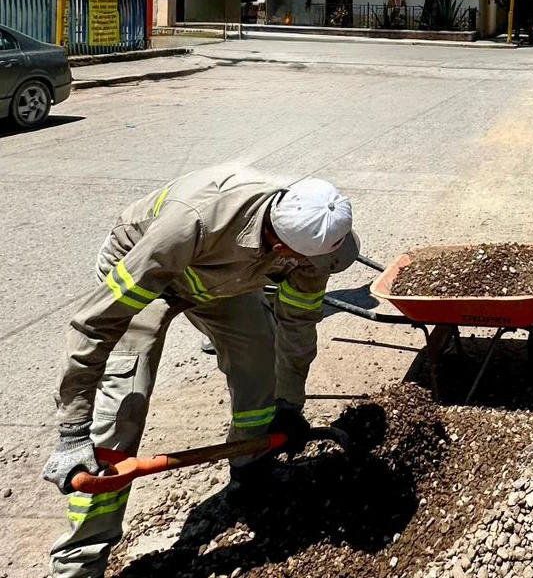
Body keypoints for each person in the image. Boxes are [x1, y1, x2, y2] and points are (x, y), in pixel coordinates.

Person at [41, 165, 357, 578]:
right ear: (279, 240)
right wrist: (71, 430)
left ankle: (252, 469)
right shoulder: (189, 222)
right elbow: (94, 324)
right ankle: (80, 562)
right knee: (124, 406)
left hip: (224, 281)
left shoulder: (318, 250)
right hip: (149, 270)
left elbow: (297, 328)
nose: (301, 266)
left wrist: (289, 405)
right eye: (290, 256)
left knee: (257, 364)